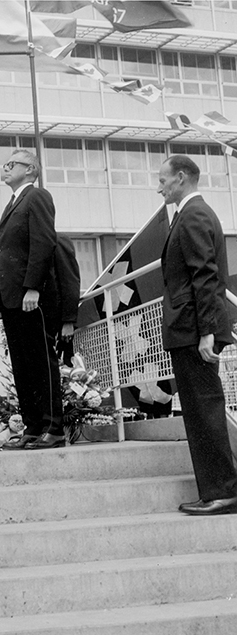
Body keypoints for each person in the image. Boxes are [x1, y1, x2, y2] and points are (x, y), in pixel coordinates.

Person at [157, 154, 237, 516]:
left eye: (164, 179)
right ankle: (216, 490)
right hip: (191, 328)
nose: (160, 186)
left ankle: (223, 491)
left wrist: (207, 331)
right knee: (200, 410)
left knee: (204, 410)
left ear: (183, 177)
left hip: (194, 330)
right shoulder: (191, 214)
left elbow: (205, 276)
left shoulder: (193, 215)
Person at [0, 149, 63, 450]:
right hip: (12, 298)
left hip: (31, 295)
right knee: (21, 363)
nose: (4, 168)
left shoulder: (37, 197)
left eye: (11, 164)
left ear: (31, 169)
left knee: (40, 361)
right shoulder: (13, 202)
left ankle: (53, 426)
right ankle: (33, 426)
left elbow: (43, 242)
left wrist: (33, 287)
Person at [54, 234, 81, 367]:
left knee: (66, 367)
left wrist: (68, 321)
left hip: (60, 321)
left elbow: (70, 281)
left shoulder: (58, 242)